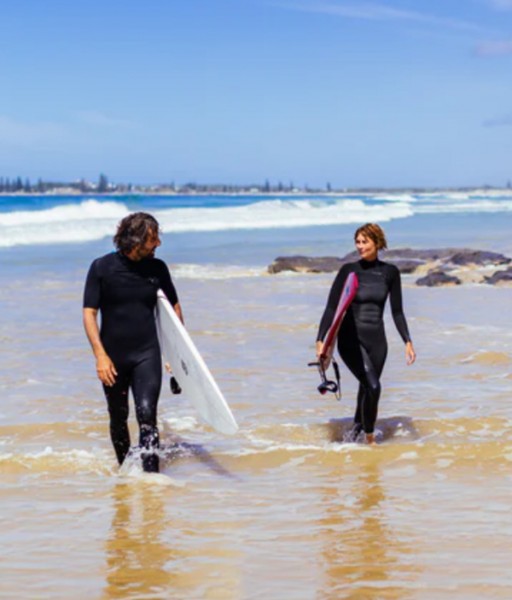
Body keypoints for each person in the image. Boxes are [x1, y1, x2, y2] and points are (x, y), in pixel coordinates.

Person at [83, 212, 183, 472]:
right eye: (153, 239)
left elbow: (173, 308)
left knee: (147, 414)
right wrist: (100, 356)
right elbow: (89, 313)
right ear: (135, 240)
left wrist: (176, 353)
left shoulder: (157, 269)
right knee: (118, 416)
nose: (158, 244)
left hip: (146, 353)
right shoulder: (101, 268)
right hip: (113, 357)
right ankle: (126, 472)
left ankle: (151, 479)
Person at [316, 223, 416, 444]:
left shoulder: (390, 273)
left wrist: (407, 341)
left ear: (377, 243)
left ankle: (353, 436)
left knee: (366, 391)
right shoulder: (348, 271)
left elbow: (397, 311)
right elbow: (332, 307)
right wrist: (321, 339)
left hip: (377, 342)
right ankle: (370, 440)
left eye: (365, 242)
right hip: (351, 340)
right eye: (357, 242)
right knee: (374, 386)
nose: (360, 246)